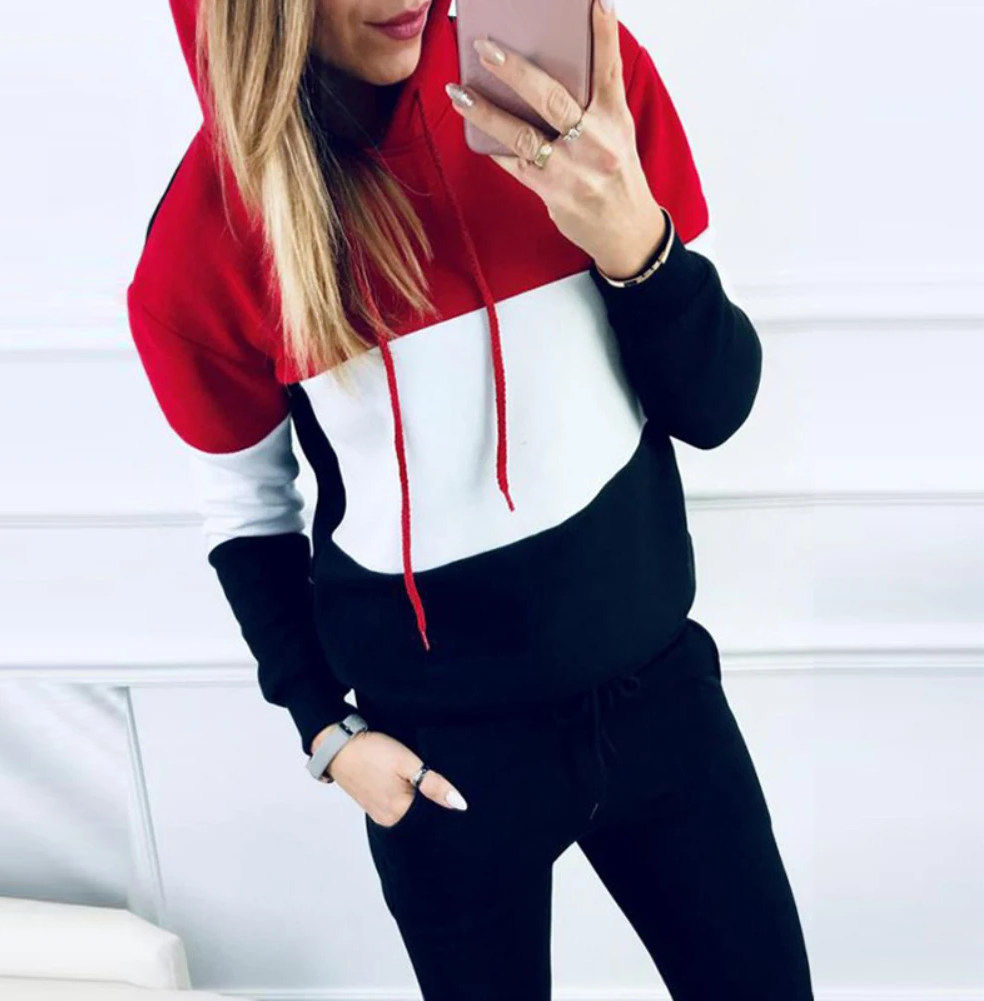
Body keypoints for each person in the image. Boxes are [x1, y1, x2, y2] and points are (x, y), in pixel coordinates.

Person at [127, 0, 815, 997]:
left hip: (660, 703)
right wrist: (326, 734)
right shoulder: (209, 234)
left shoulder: (565, 91)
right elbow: (247, 509)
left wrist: (636, 242)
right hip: (439, 766)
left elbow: (714, 410)